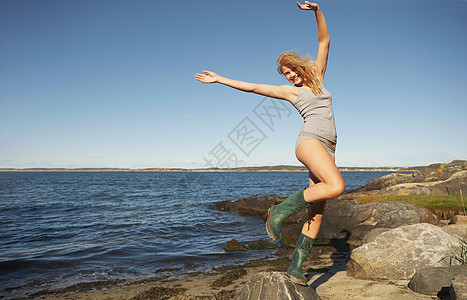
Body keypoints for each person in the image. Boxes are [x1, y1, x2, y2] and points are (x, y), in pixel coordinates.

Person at [195, 1, 345, 286]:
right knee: (337, 186)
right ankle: (279, 210)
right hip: (310, 141)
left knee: (317, 210)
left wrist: (316, 11)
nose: (290, 75)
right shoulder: (290, 93)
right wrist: (220, 79)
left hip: (328, 147)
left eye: (291, 70)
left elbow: (324, 39)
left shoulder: (318, 76)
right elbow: (253, 87)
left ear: (300, 66)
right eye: (285, 74)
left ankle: (296, 267)